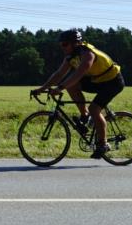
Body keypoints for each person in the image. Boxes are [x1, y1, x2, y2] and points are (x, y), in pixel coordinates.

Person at [31, 29, 125, 159]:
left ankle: (103, 144)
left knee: (94, 109)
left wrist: (60, 88)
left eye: (64, 44)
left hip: (113, 82)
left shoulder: (88, 54)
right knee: (72, 85)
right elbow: (59, 74)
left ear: (75, 43)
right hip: (97, 80)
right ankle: (84, 115)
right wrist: (42, 88)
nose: (62, 48)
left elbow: (79, 73)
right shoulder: (71, 57)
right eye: (61, 45)